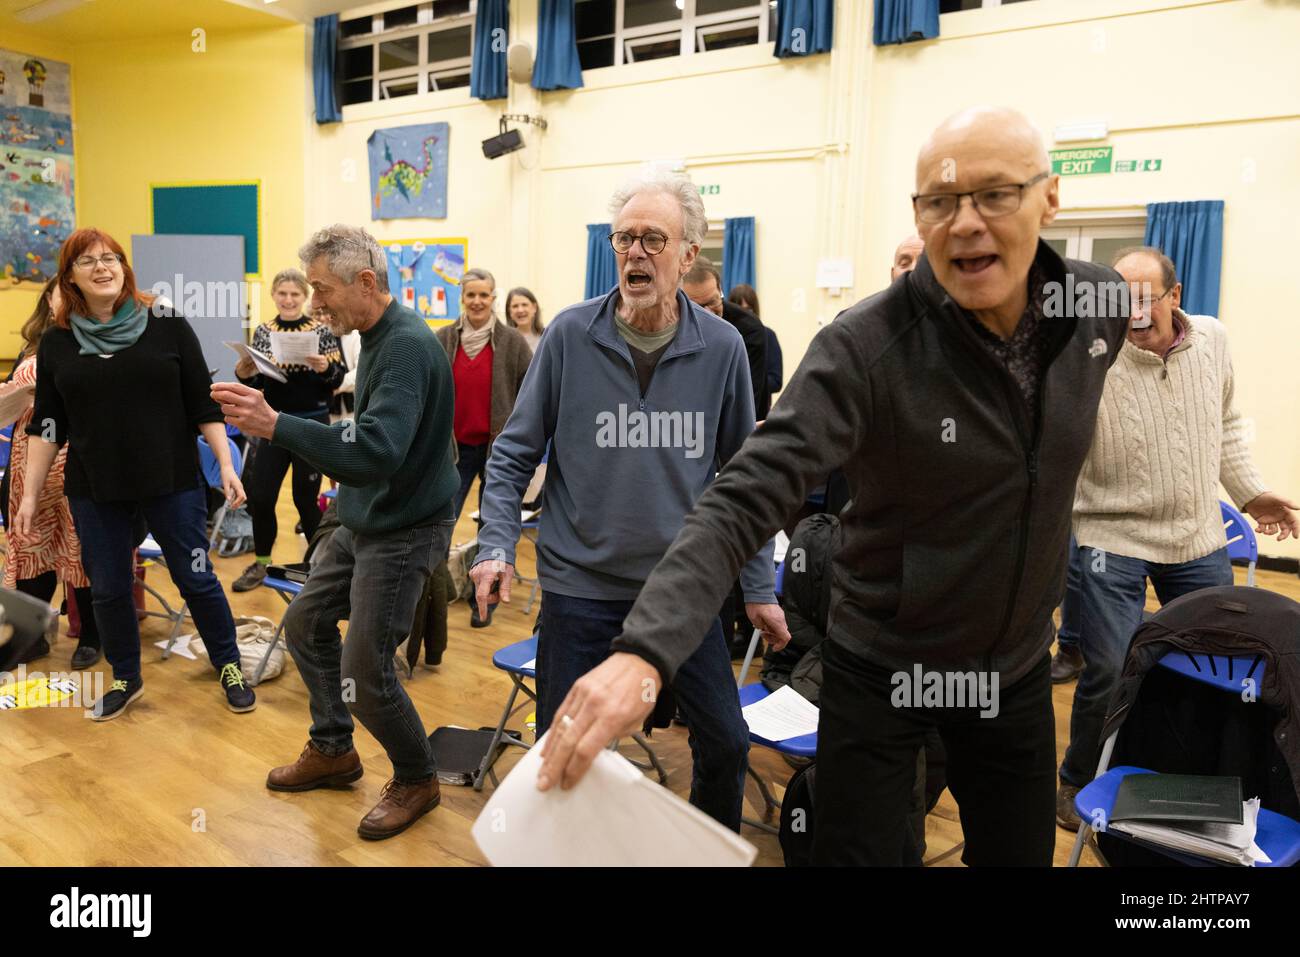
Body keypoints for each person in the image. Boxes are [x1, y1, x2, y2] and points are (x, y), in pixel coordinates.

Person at [534, 107, 1133, 866]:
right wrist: (645, 651)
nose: (966, 223)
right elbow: (744, 492)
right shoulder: (866, 347)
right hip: (881, 666)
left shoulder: (1097, 307)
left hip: (1009, 673)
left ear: (1050, 200)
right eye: (940, 203)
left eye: (996, 195)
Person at [467, 172, 789, 831]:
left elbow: (745, 478)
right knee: (564, 747)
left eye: (652, 239)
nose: (635, 252)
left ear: (689, 253)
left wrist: (758, 586)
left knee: (726, 741)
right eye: (624, 239)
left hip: (683, 590)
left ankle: (707, 849)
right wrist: (497, 542)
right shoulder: (568, 336)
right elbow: (512, 452)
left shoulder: (724, 347)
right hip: (579, 587)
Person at [213, 224, 459, 841]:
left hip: (404, 528)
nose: (316, 302)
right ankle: (333, 748)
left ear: (366, 282)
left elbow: (375, 449)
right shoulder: (372, 336)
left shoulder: (403, 346)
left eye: (322, 290)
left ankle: (417, 776)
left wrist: (277, 426)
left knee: (366, 668)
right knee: (304, 622)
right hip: (364, 515)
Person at [1055, 245, 1300, 827]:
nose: (1133, 311)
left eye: (1145, 298)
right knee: (1111, 667)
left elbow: (1228, 423)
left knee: (1221, 664)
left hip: (1195, 534)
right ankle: (1078, 779)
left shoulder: (1212, 340)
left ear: (1175, 296)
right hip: (1107, 534)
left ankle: (1204, 775)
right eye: (1120, 299)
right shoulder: (1091, 352)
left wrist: (1250, 493)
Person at [16, 228, 254, 720]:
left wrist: (226, 466)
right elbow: (47, 425)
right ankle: (126, 676)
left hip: (171, 480)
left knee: (197, 577)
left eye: (111, 258)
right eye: (87, 262)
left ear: (124, 268)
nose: (102, 267)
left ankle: (228, 664)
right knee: (107, 586)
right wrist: (27, 497)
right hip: (96, 487)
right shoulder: (58, 341)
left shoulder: (164, 321)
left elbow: (200, 402)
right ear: (70, 277)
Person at [0, 278, 100, 669]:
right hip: (27, 467)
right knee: (28, 549)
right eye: (63, 291)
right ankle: (30, 638)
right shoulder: (33, 345)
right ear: (49, 297)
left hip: (78, 463)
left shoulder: (99, 342)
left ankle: (92, 636)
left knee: (81, 553)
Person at [231, 269, 344, 592]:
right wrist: (243, 372)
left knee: (305, 500)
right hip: (273, 423)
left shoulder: (321, 331)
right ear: (274, 296)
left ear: (304, 297)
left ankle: (316, 568)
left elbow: (337, 379)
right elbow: (255, 382)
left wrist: (326, 367)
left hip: (312, 424)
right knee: (261, 497)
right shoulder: (264, 332)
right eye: (283, 293)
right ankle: (262, 564)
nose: (289, 299)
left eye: (295, 294)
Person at [682, 257, 770, 419]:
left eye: (713, 302)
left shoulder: (749, 329)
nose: (708, 314)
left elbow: (746, 402)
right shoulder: (670, 323)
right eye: (697, 308)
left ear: (720, 290)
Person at [727, 284, 782, 397]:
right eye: (738, 309)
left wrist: (748, 382)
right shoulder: (725, 337)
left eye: (748, 310)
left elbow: (776, 381)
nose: (744, 315)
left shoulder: (768, 335)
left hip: (758, 408)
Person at [505, 286, 545, 354]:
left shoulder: (546, 336)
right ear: (509, 312)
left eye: (524, 305)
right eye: (515, 306)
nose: (520, 310)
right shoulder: (504, 341)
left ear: (534, 308)